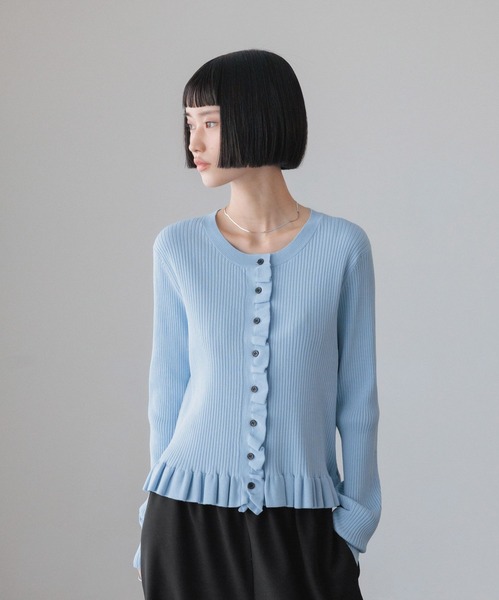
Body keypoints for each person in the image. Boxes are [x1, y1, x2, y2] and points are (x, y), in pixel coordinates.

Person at [134, 49, 381, 600]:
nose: (193, 143)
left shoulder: (342, 247)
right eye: (189, 124)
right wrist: (150, 522)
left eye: (210, 123)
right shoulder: (177, 248)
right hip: (185, 521)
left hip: (304, 519)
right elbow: (167, 391)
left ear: (259, 117)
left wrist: (355, 523)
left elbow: (358, 399)